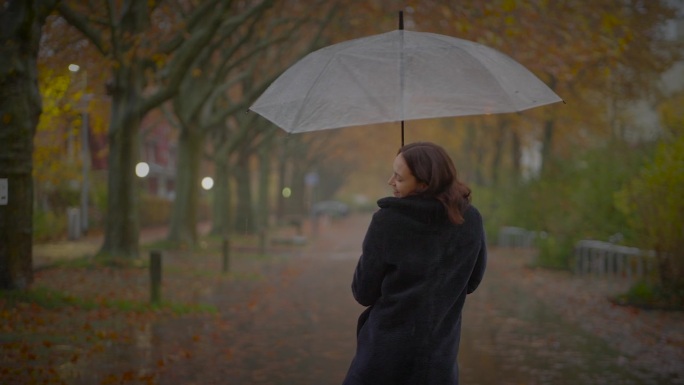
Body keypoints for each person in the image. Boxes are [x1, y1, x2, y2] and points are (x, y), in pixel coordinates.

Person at [342, 141, 487, 385]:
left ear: (424, 184)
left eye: (398, 178)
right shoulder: (469, 218)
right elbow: (471, 282)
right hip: (438, 361)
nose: (391, 182)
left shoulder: (387, 221)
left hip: (383, 359)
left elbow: (363, 292)